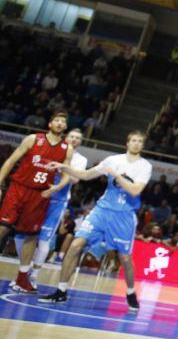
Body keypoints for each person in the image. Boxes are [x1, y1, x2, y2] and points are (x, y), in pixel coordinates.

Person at [40, 131, 152, 311]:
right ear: (127, 143)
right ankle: (61, 291)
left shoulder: (145, 166)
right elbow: (85, 175)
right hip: (102, 211)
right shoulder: (113, 159)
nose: (136, 144)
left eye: (140, 141)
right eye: (134, 141)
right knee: (76, 245)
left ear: (143, 146)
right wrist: (62, 166)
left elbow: (134, 191)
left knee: (124, 258)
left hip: (124, 216)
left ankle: (130, 292)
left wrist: (116, 175)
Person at [0, 111, 73, 293]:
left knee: (31, 236)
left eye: (63, 122)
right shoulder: (33, 139)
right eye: (57, 120)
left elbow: (67, 175)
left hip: (39, 195)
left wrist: (56, 188)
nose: (60, 123)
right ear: (50, 124)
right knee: (2, 227)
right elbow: (11, 161)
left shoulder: (67, 149)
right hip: (18, 189)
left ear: (65, 127)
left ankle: (22, 279)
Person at [12, 127, 86, 288]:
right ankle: (24, 271)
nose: (74, 140)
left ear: (80, 142)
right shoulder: (54, 149)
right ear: (66, 137)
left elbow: (75, 179)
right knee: (20, 236)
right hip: (37, 196)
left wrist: (62, 167)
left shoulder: (80, 159)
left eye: (77, 138)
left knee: (44, 239)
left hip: (57, 201)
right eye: (72, 136)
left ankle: (34, 276)